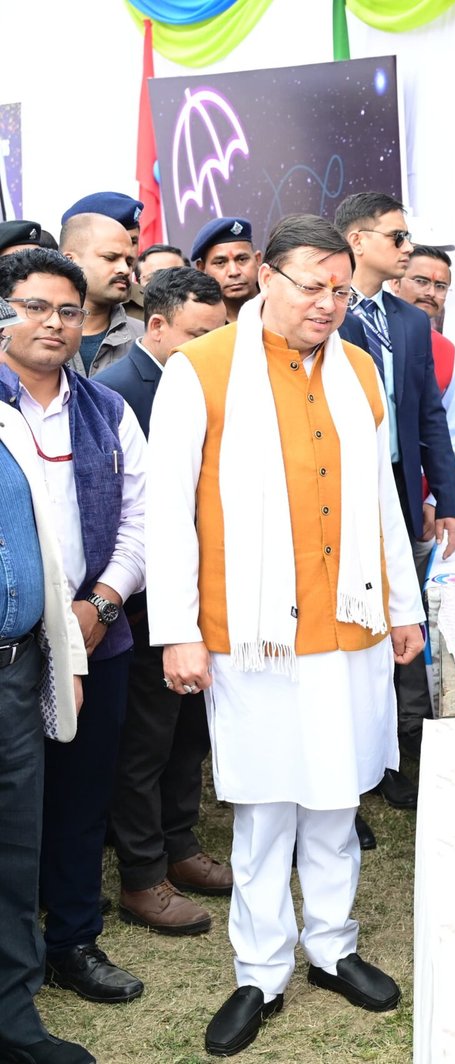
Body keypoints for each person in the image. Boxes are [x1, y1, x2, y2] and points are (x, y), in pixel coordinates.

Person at [143, 214, 425, 1057]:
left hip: (351, 620)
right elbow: (168, 514)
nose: (329, 304)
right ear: (266, 276)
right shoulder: (200, 370)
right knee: (265, 808)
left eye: (341, 289)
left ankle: (333, 948)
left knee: (337, 798)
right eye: (312, 286)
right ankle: (260, 969)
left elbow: (382, 499)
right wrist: (178, 633)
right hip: (249, 631)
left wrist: (404, 607)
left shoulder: (361, 369)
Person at [0, 249, 148, 1007]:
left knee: (84, 793)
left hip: (99, 634)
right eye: (31, 306)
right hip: (13, 640)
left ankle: (74, 942)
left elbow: (139, 525)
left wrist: (104, 605)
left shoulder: (106, 410)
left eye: (65, 310)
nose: (51, 324)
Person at [96, 268, 232, 936]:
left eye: (219, 335)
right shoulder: (119, 392)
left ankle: (182, 848)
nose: (211, 349)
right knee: (145, 744)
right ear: (156, 325)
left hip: (202, 588)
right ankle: (143, 875)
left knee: (186, 735)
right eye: (197, 336)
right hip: (148, 598)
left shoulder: (202, 378)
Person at [336, 191, 455, 821]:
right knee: (351, 634)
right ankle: (346, 783)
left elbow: (429, 418)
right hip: (337, 499)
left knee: (404, 623)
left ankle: (398, 753)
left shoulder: (412, 322)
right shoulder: (325, 313)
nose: (407, 248)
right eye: (397, 237)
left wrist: (448, 498)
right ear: (358, 241)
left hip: (402, 494)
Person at [0, 295, 94, 1064]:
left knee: (14, 845)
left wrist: (64, 655)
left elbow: (50, 550)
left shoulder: (9, 425)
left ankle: (14, 1015)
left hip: (17, 666)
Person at [386, 242, 455, 516]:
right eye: (421, 281)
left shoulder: (447, 351)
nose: (430, 293)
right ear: (395, 282)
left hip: (419, 505)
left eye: (441, 286)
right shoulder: (363, 333)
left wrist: (435, 502)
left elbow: (452, 435)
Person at [58, 213, 141, 376]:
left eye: (129, 262)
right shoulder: (30, 334)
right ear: (70, 260)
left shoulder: (144, 341)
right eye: (110, 258)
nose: (124, 269)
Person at [189, 217, 260, 324]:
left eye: (242, 259)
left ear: (258, 260)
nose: (234, 272)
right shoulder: (198, 324)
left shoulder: (282, 306)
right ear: (201, 269)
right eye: (220, 263)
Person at [125, 245, 185, 325]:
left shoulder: (202, 311)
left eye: (173, 276)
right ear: (138, 282)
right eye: (154, 278)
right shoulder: (125, 316)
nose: (163, 283)